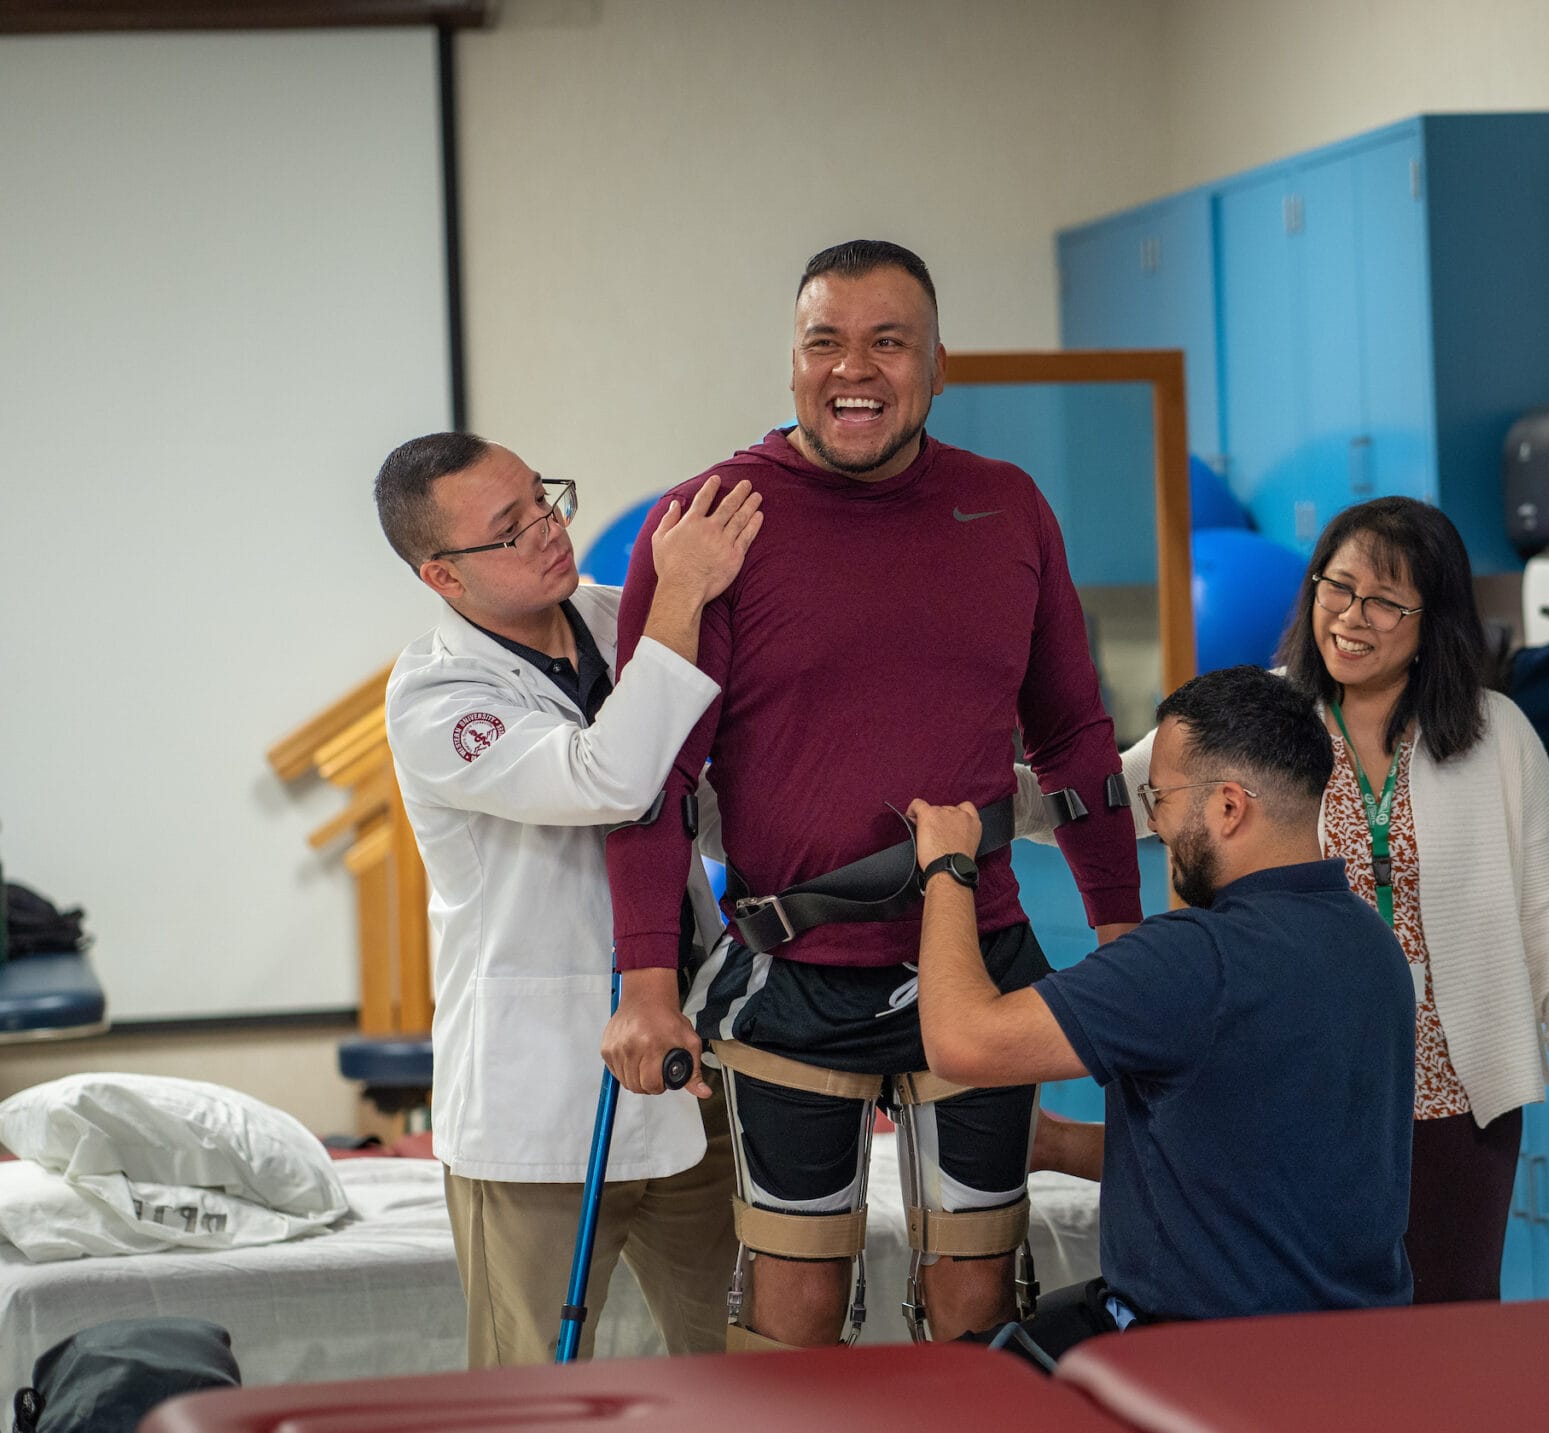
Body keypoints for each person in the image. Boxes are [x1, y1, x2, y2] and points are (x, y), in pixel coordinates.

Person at [600, 240, 1142, 1351]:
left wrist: (1121, 925)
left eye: (888, 341)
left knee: (976, 1294)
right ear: (791, 362)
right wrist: (646, 983)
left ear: (937, 365)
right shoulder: (707, 524)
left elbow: (1075, 735)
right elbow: (652, 772)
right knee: (792, 1311)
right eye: (825, 341)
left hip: (977, 961)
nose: (856, 367)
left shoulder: (1006, 508)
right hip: (795, 972)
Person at [1019, 496, 1549, 1305]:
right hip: (1295, 1078)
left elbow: (1548, 910)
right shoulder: (1259, 716)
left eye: (1385, 602)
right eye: (1338, 587)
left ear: (1431, 619)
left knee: (1449, 1322)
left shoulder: (1496, 734)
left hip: (1452, 1095)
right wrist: (990, 805)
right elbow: (1110, 800)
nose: (1352, 617)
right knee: (1300, 1323)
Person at [377, 431, 760, 1365]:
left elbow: (701, 802)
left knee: (743, 1368)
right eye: (511, 529)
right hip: (533, 1112)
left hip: (689, 1069)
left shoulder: (620, 618)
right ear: (444, 577)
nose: (551, 531)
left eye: (545, 501)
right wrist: (682, 595)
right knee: (528, 1395)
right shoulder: (435, 696)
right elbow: (611, 780)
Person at [908, 665, 1415, 1359]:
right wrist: (1057, 1146)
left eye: (1161, 796)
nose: (1152, 820)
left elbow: (960, 1041)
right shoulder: (1373, 947)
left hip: (1200, 1356)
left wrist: (947, 870)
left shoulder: (1195, 958)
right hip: (1351, 1343)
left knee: (950, 1384)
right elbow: (1250, 1161)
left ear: (1229, 807)